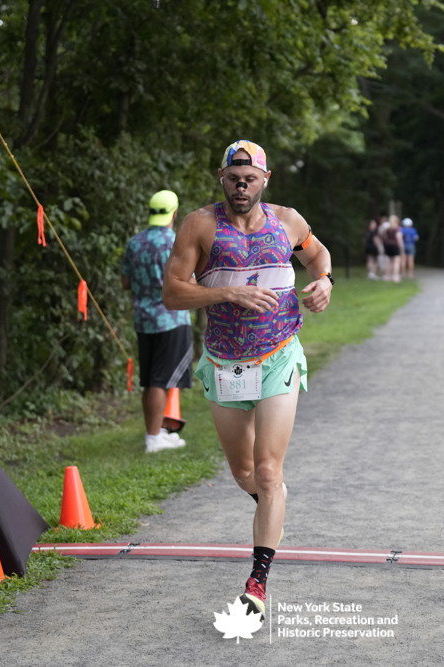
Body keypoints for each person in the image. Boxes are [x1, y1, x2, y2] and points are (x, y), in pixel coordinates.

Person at [162, 139, 333, 619]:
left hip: (279, 355)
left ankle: (257, 584)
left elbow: (318, 254)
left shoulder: (288, 221)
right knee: (243, 473)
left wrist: (325, 281)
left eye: (250, 178)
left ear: (265, 180)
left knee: (268, 471)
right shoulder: (200, 225)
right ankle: (271, 510)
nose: (242, 185)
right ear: (222, 177)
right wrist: (228, 294)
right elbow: (172, 293)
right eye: (234, 177)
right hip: (225, 363)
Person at [121, 190, 193, 453]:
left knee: (151, 379)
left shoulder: (135, 242)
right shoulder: (175, 242)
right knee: (160, 381)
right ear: (174, 213)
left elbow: (125, 282)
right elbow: (188, 281)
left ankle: (157, 431)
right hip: (172, 319)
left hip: (144, 320)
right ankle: (153, 438)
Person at [380, 215, 404, 282]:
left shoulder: (388, 229)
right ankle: (395, 276)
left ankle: (386, 276)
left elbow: (383, 237)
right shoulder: (397, 229)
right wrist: (401, 247)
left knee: (389, 262)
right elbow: (399, 238)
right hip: (395, 246)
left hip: (388, 246)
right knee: (396, 261)